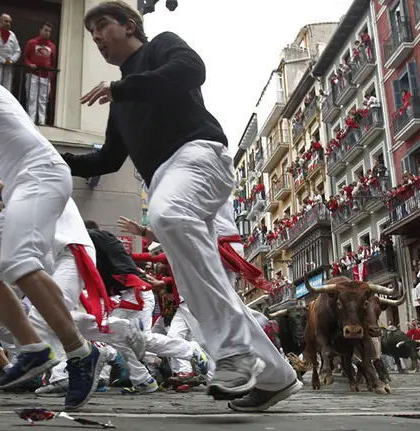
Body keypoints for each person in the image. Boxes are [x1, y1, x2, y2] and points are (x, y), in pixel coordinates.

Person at [64, 1, 300, 411]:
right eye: (91, 33)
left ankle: (233, 355)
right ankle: (278, 376)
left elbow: (192, 70)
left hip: (199, 156)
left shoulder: (162, 49)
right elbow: (108, 160)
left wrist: (121, 87)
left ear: (131, 25)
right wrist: (55, 160)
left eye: (102, 26)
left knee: (168, 215)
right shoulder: (119, 101)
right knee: (197, 285)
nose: (97, 37)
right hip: (167, 179)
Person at [0, 36, 104, 410]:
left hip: (41, 175)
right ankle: (33, 348)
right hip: (25, 181)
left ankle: (81, 352)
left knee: (19, 261)